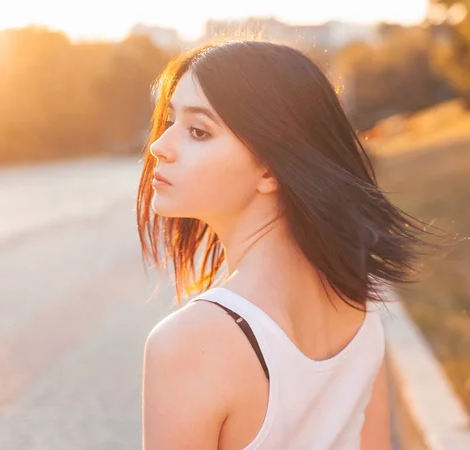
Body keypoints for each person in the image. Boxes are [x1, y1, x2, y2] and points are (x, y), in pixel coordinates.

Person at [136, 39, 438, 449]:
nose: (159, 146)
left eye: (197, 131)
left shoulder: (190, 341)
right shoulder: (355, 301)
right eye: (170, 121)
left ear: (270, 169)